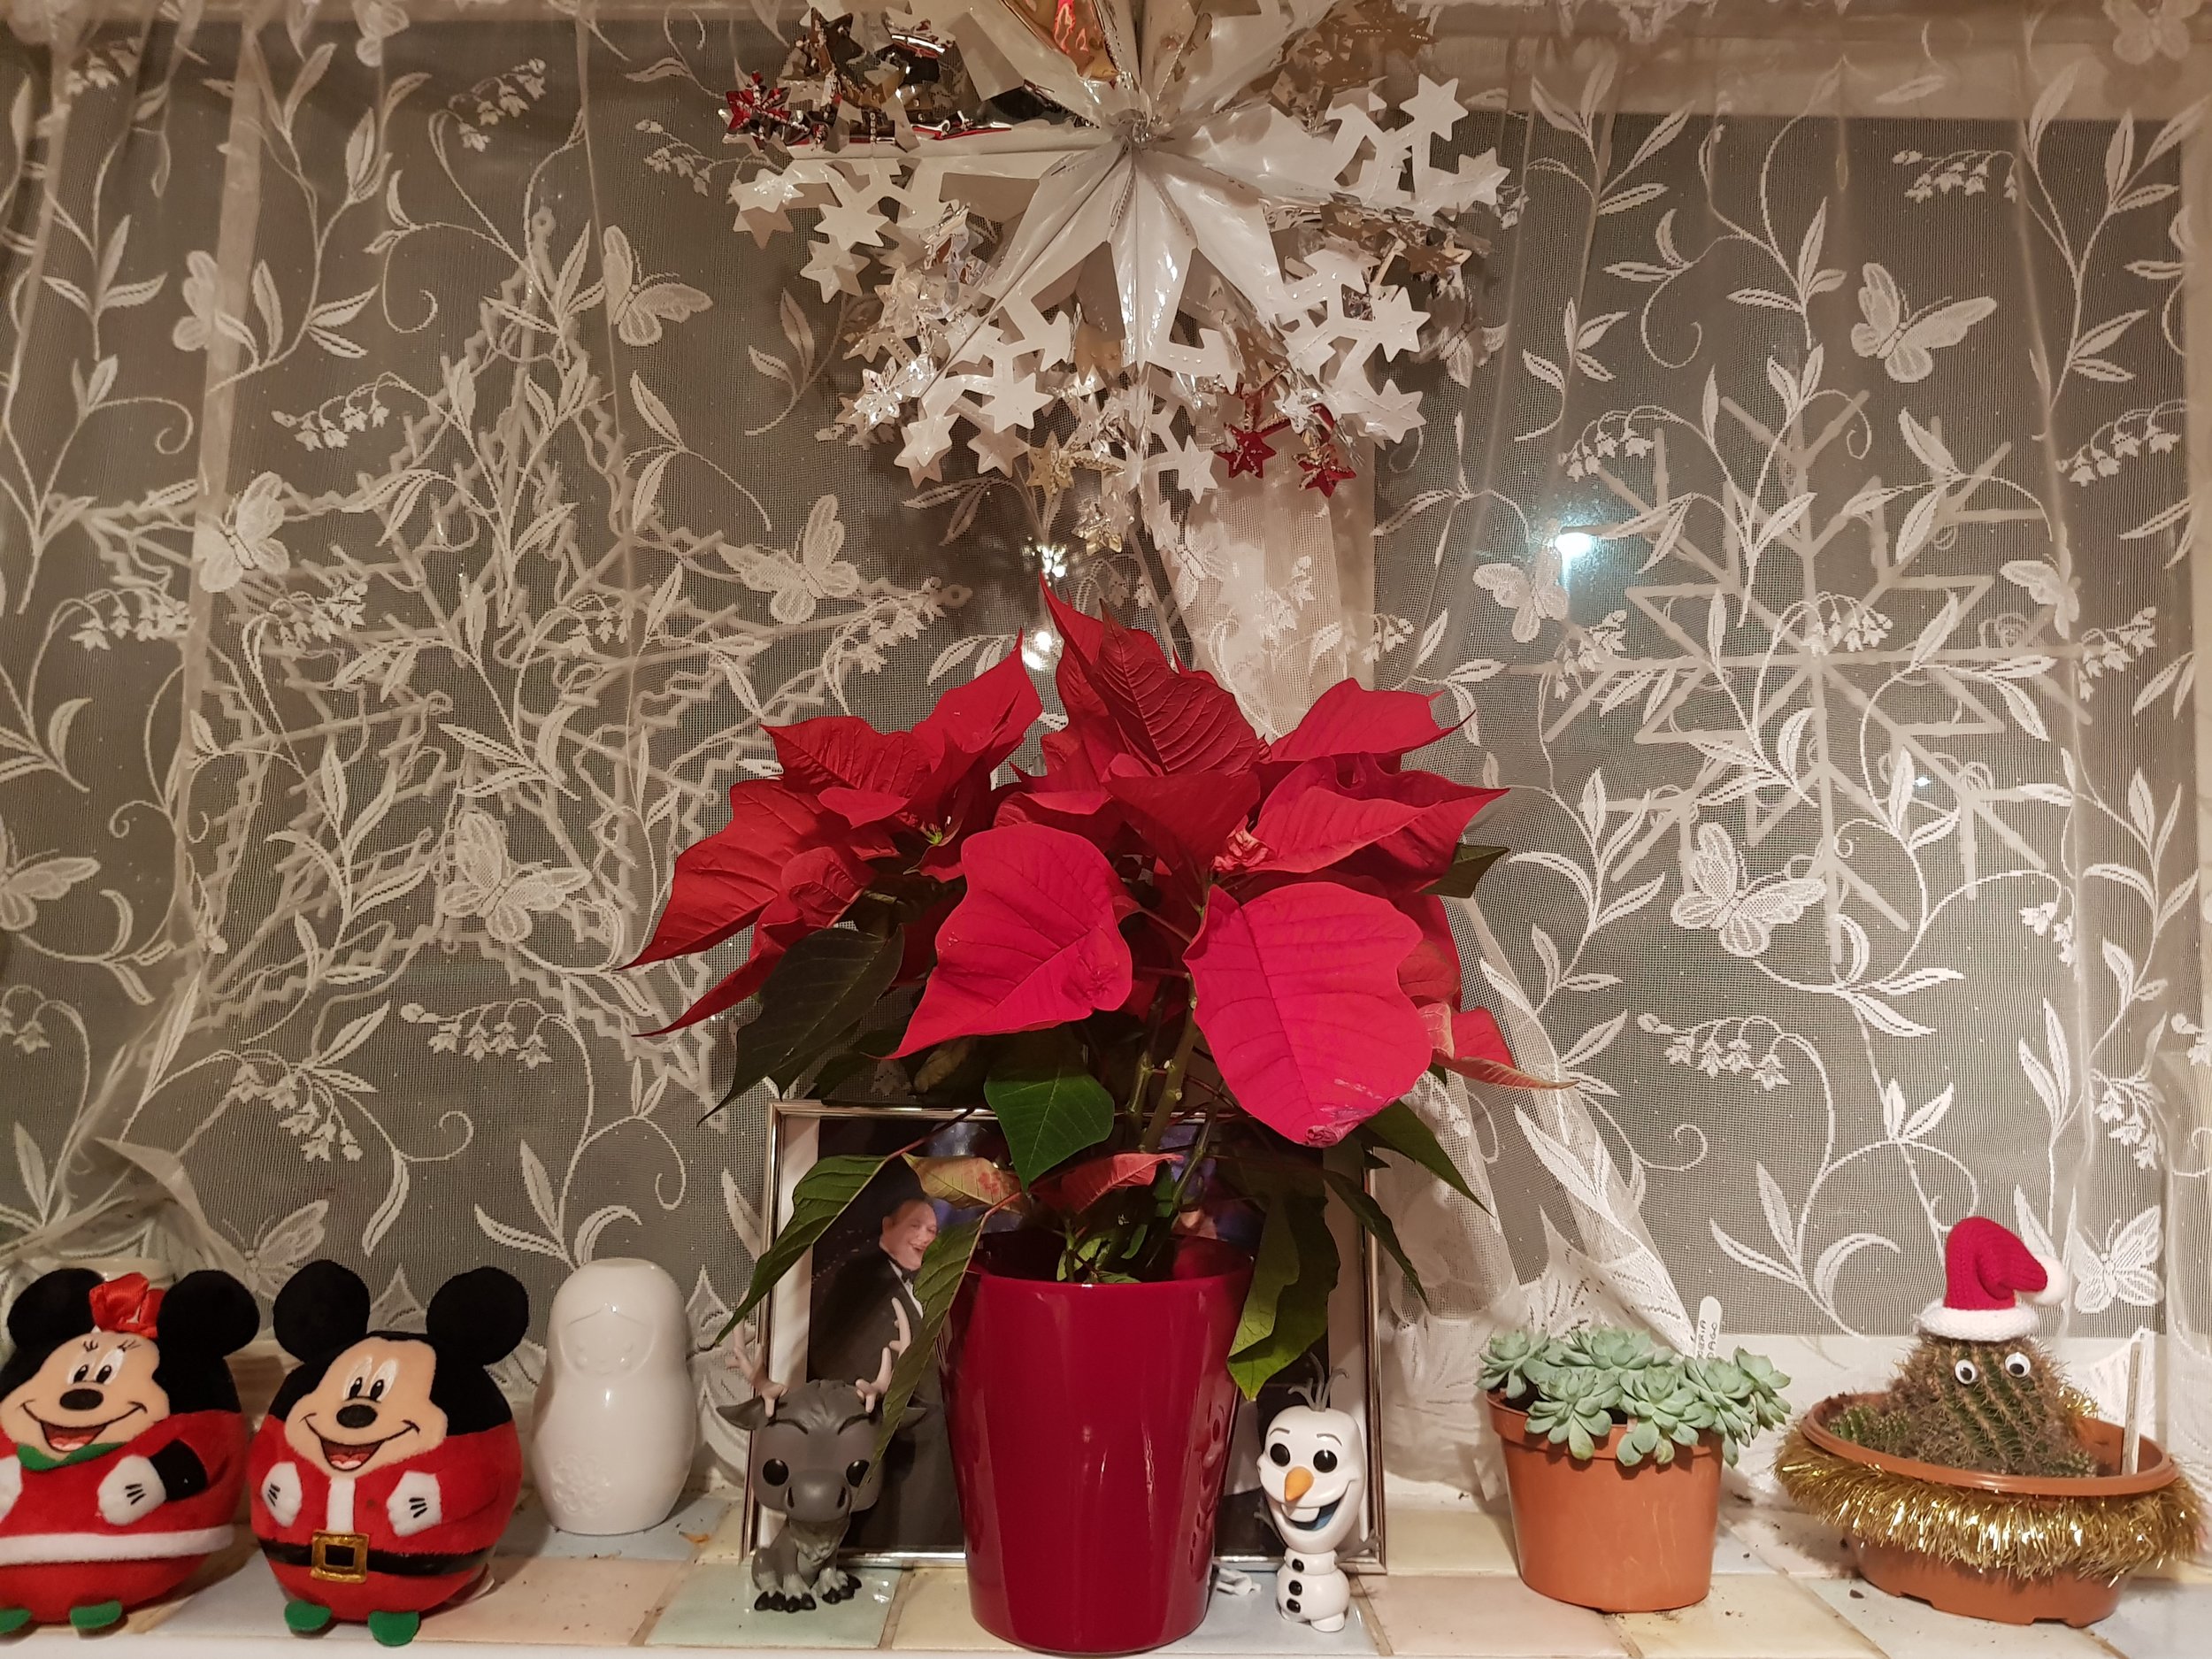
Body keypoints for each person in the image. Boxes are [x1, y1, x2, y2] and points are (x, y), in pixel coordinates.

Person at [810, 1197, 960, 1550]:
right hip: (892, 1436)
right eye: (914, 1226)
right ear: (887, 1227)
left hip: (932, 1440)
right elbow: (835, 1350)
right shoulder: (855, 1280)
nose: (924, 1237)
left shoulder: (930, 1281)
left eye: (932, 1231)